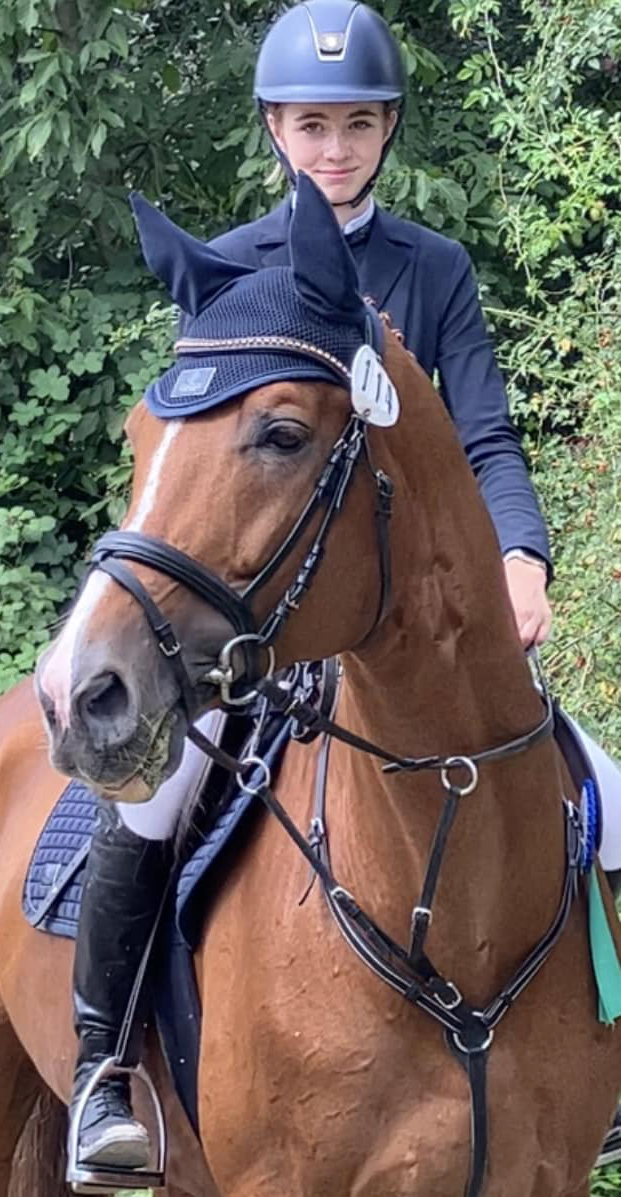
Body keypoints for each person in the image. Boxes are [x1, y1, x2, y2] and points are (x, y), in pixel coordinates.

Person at [68, 0, 562, 1175]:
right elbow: (198, 463)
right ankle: (103, 1072)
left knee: (592, 787)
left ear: (387, 130)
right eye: (308, 126)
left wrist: (522, 553)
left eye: (354, 125)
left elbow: (485, 436)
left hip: (423, 612)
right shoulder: (232, 268)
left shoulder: (431, 268)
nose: (331, 150)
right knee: (151, 802)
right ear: (274, 130)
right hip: (269, 622)